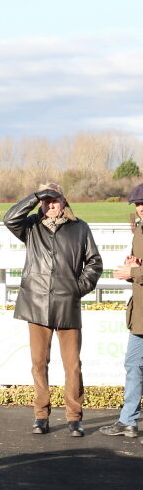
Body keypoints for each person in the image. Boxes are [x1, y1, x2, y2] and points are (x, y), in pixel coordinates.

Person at [3, 183, 102, 436]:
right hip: (36, 303)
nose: (50, 205)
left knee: (72, 365)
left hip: (67, 303)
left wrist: (77, 288)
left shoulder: (80, 227)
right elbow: (9, 218)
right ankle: (40, 415)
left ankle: (74, 417)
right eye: (45, 201)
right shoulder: (31, 227)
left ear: (63, 201)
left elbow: (94, 262)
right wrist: (35, 196)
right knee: (39, 363)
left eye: (54, 200)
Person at [102, 182, 143, 442]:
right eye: (138, 205)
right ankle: (128, 421)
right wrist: (132, 267)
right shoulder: (138, 231)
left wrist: (135, 272)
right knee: (133, 366)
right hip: (140, 313)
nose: (141, 209)